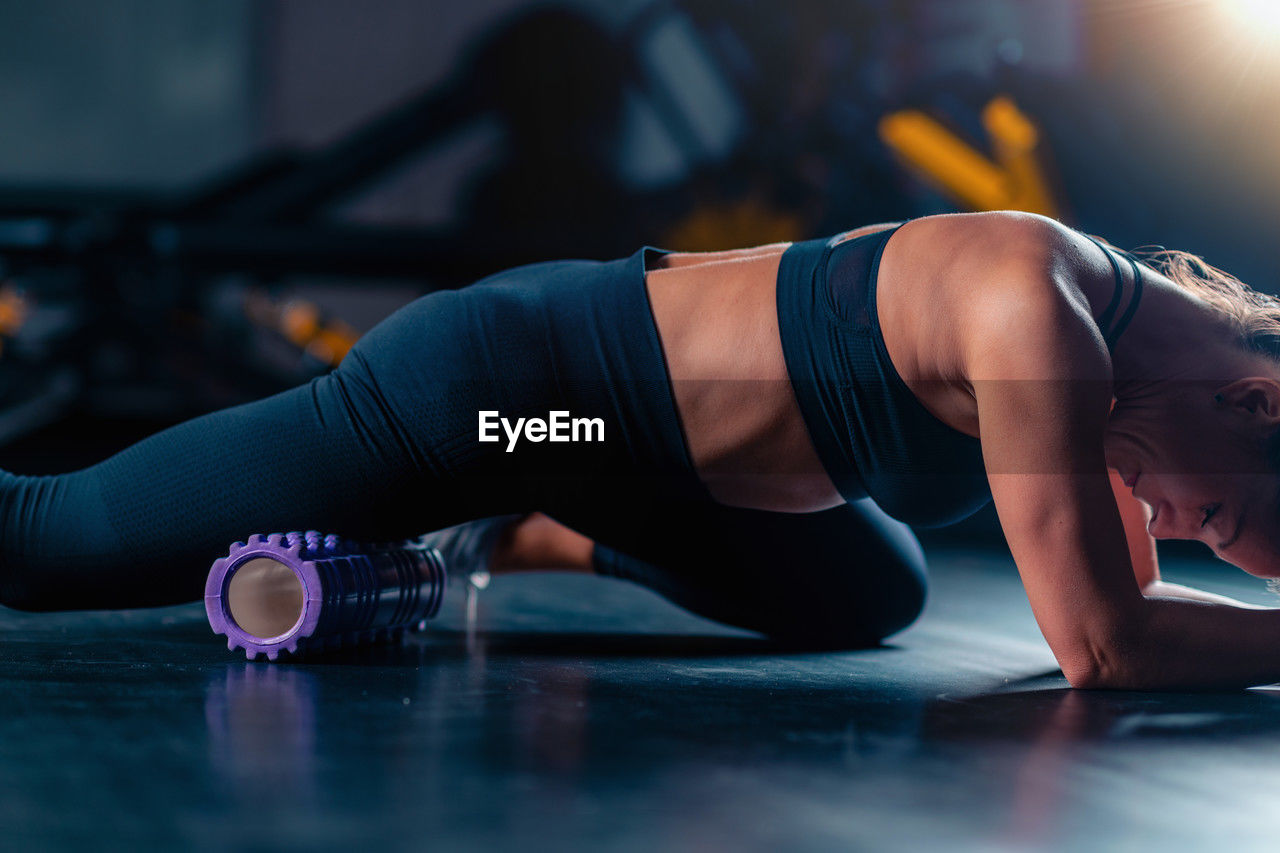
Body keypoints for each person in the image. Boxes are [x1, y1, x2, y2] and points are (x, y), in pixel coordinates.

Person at [4, 209, 1280, 691]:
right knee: (46, 540)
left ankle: (532, 531)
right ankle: (488, 495)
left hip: (642, 460)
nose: (1172, 526)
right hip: (513, 401)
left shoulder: (1142, 387)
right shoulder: (1036, 312)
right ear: (1257, 402)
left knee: (869, 591)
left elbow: (1131, 604)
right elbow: (1102, 644)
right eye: (1216, 523)